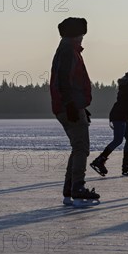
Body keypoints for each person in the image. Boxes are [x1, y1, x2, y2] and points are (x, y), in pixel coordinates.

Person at [50, 17, 100, 207]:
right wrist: (71, 105)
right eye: (81, 34)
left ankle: (69, 190)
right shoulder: (68, 51)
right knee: (81, 148)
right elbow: (64, 80)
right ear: (75, 34)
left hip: (70, 106)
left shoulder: (67, 49)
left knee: (77, 147)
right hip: (67, 106)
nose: (82, 39)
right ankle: (77, 189)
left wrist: (80, 107)